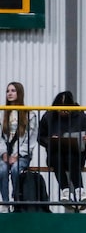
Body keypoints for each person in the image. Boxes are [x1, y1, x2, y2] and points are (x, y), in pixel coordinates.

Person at [38, 91, 86, 212]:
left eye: (66, 110)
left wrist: (85, 140)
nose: (63, 112)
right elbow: (40, 137)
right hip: (55, 153)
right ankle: (65, 190)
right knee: (58, 157)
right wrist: (50, 140)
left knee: (70, 156)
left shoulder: (81, 116)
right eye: (60, 109)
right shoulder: (49, 116)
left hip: (76, 154)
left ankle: (79, 190)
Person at [2, 81, 39, 212]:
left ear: (19, 93)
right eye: (8, 91)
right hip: (4, 155)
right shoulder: (2, 112)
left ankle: (16, 200)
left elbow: (31, 139)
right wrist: (4, 153)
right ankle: (5, 203)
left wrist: (17, 155)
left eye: (13, 91)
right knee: (2, 169)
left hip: (22, 155)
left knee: (17, 169)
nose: (9, 93)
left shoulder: (29, 114)